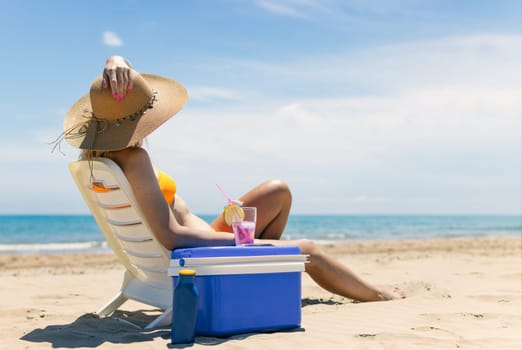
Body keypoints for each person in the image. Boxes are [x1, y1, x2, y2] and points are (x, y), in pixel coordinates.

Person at [60, 55, 398, 302]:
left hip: (201, 237)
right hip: (192, 250)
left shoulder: (99, 157)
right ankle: (377, 295)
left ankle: (260, 275)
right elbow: (171, 236)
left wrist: (115, 59)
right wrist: (245, 243)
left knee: (277, 192)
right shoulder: (135, 158)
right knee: (308, 250)